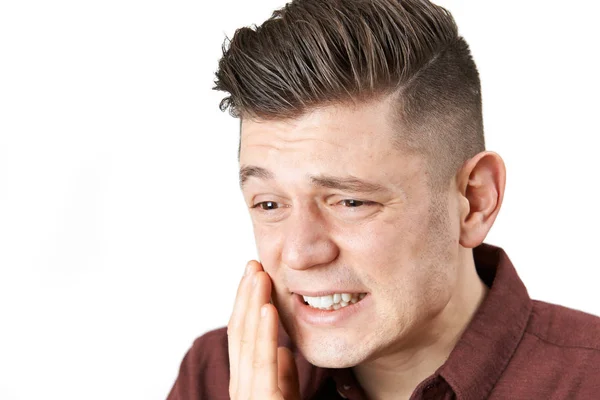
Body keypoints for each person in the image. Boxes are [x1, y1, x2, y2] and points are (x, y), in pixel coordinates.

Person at [167, 0, 600, 399]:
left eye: (350, 202)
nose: (299, 253)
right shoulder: (214, 375)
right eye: (269, 204)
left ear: (474, 200)